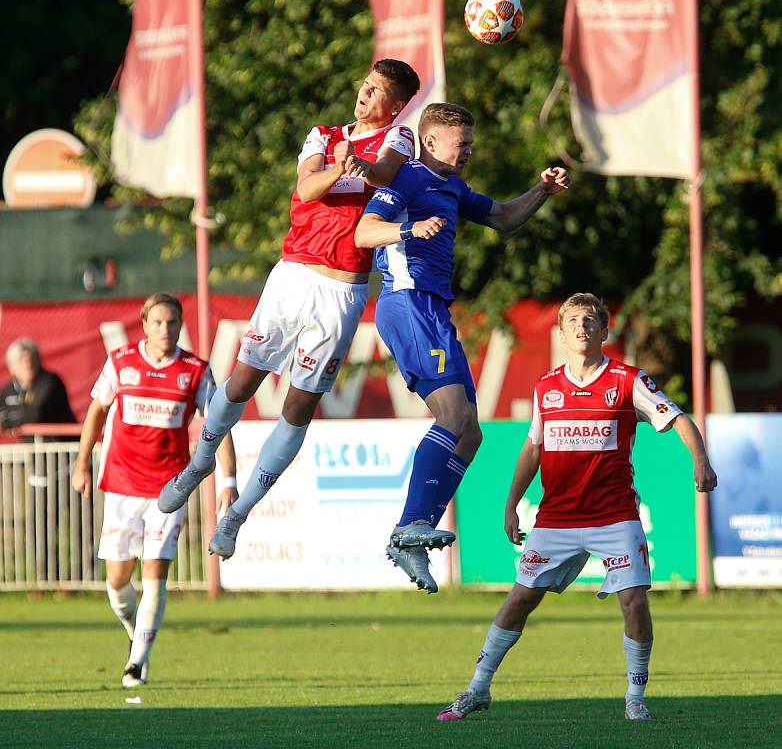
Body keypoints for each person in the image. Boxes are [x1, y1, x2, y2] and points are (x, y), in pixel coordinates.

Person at [157, 59, 422, 561]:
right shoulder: (323, 135)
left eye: (377, 92)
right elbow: (306, 188)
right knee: (240, 382)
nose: (364, 95)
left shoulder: (399, 139)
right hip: (292, 278)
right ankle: (200, 461)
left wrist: (358, 165)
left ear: (396, 105)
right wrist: (339, 166)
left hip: (340, 291)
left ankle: (238, 513)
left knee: (298, 407)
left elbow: (386, 173)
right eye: (364, 85)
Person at [436, 292, 718, 722]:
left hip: (615, 515)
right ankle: (477, 688)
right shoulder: (546, 387)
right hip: (557, 519)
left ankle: (635, 696)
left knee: (635, 601)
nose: (582, 327)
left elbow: (678, 418)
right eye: (573, 322)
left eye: (590, 321)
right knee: (519, 600)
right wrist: (511, 505)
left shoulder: (628, 380)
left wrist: (700, 461)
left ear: (604, 332)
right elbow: (533, 448)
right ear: (562, 333)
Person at [354, 102, 570, 593]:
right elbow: (366, 231)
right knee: (453, 418)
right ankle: (410, 526)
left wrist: (543, 189)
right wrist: (409, 228)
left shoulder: (451, 185)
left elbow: (504, 216)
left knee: (470, 434)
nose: (469, 151)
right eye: (461, 143)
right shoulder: (407, 178)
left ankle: (412, 534)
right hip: (407, 303)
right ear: (430, 142)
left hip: (433, 310)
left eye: (470, 142)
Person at [71, 292, 237, 689]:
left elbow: (217, 426)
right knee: (116, 581)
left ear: (181, 326)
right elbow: (97, 410)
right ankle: (135, 634)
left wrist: (228, 481)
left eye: (173, 323)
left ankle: (136, 664)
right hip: (122, 484)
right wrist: (81, 464)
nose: (166, 330)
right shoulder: (122, 362)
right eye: (158, 322)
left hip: (169, 490)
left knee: (155, 574)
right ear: (144, 324)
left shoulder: (195, 370)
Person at [0, 338, 76, 432]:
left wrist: (9, 421)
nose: (27, 364)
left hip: (60, 443)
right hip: (31, 444)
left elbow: (37, 413)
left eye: (31, 359)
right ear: (11, 367)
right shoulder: (8, 390)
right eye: (21, 360)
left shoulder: (50, 382)